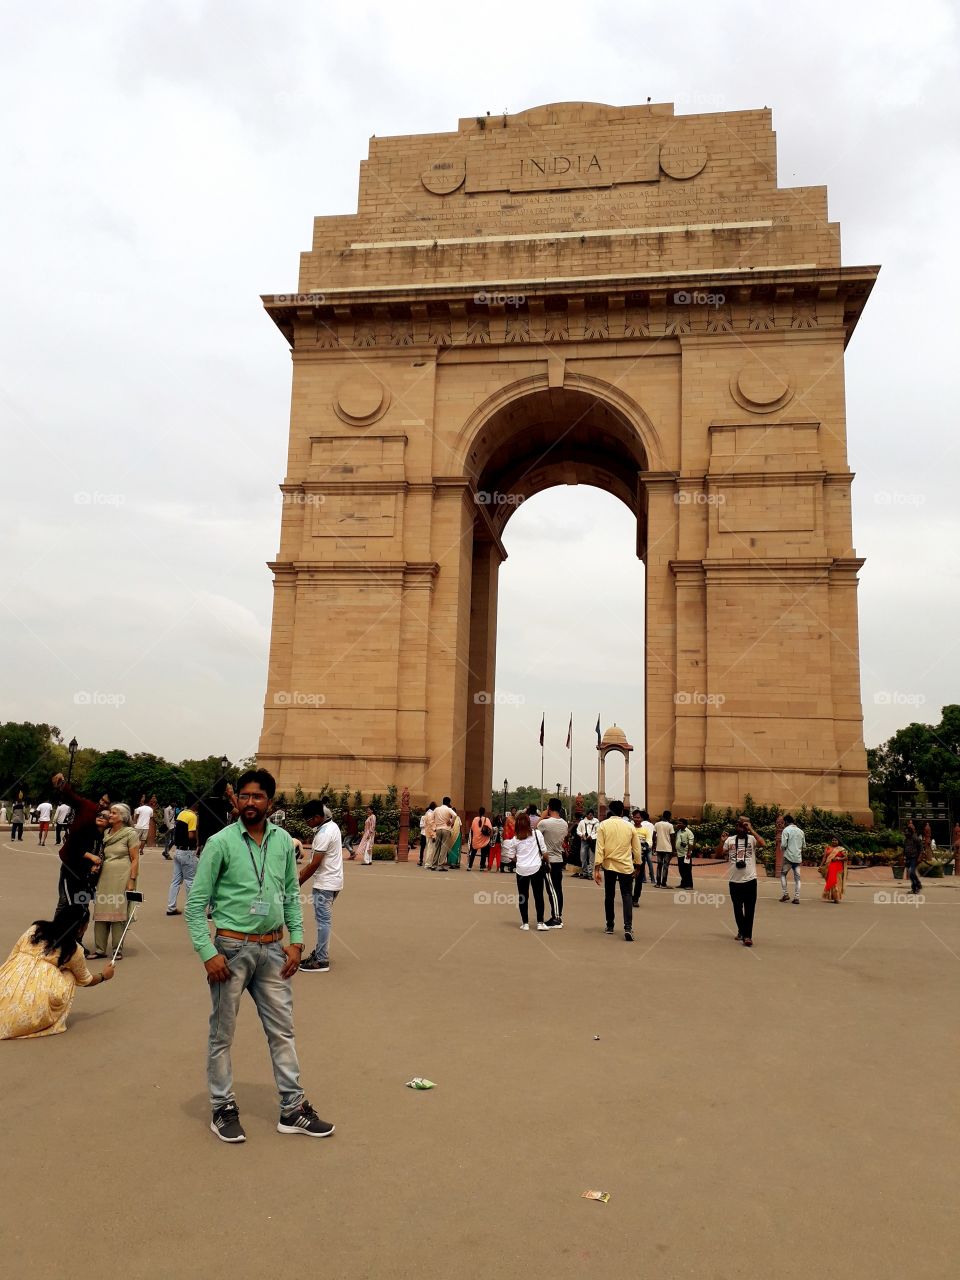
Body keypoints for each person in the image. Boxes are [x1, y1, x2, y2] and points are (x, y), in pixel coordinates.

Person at [184, 767, 331, 1143]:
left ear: (270, 802)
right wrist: (207, 952)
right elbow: (196, 904)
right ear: (237, 801)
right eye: (245, 796)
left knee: (282, 1031)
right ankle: (222, 1107)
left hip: (272, 949)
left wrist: (297, 940)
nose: (250, 802)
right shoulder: (220, 842)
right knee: (222, 1033)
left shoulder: (283, 842)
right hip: (230, 950)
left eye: (258, 797)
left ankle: (293, 1108)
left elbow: (287, 896)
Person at [0, 904, 115, 1039]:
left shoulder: (35, 929)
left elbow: (14, 954)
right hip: (37, 989)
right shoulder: (74, 949)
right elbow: (86, 980)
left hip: (13, 972)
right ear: (81, 928)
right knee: (70, 975)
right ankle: (45, 1013)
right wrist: (104, 976)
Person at [51, 773, 111, 914]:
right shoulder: (87, 807)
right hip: (71, 863)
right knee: (65, 901)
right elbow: (72, 796)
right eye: (102, 800)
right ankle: (57, 932)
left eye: (106, 804)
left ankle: (77, 933)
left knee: (82, 903)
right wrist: (62, 783)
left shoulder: (108, 831)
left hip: (88, 872)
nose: (101, 804)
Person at [298, 799, 343, 974]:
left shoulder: (324, 833)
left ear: (318, 817)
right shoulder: (331, 826)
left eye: (308, 820)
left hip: (325, 882)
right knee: (322, 920)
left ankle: (321, 959)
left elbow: (315, 863)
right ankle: (319, 953)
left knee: (323, 921)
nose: (306, 823)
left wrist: (298, 882)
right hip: (332, 881)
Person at [92, 803, 139, 959]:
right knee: (101, 909)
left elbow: (135, 859)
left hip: (122, 874)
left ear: (123, 817)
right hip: (105, 875)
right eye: (110, 812)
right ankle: (99, 949)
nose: (109, 815)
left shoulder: (130, 834)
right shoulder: (106, 832)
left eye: (113, 813)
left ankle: (117, 949)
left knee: (117, 911)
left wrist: (131, 880)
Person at [594, 800, 642, 941]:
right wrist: (637, 864)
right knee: (627, 896)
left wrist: (596, 868)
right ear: (622, 812)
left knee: (609, 895)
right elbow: (636, 849)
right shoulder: (629, 826)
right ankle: (628, 927)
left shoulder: (603, 825)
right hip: (625, 866)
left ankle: (610, 925)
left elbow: (599, 848)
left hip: (609, 866)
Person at [513, 810, 560, 930]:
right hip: (536, 869)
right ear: (529, 823)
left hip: (521, 870)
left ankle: (525, 923)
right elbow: (544, 852)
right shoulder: (537, 834)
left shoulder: (515, 839)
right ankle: (540, 922)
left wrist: (520, 859)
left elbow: (512, 856)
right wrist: (548, 863)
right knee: (538, 895)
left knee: (523, 896)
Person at [724, 816, 766, 947]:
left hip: (750, 880)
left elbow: (763, 844)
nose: (741, 827)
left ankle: (748, 936)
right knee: (737, 908)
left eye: (744, 825)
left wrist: (751, 830)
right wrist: (721, 842)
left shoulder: (752, 839)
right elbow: (719, 853)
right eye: (739, 825)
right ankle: (741, 930)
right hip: (734, 881)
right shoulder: (730, 840)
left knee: (749, 909)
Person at [537, 797, 569, 924]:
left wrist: (542, 816)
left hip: (548, 860)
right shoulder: (564, 824)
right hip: (558, 858)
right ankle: (557, 914)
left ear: (549, 808)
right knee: (557, 889)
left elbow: (534, 834)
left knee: (551, 890)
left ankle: (556, 917)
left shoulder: (545, 823)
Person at [167, 798, 199, 916]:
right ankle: (192, 909)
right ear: (195, 804)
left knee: (175, 881)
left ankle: (171, 907)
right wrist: (198, 841)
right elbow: (191, 835)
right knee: (190, 881)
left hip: (178, 851)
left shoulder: (182, 813)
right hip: (188, 852)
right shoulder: (192, 816)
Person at [779, 814, 806, 904]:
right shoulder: (801, 831)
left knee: (783, 875)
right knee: (797, 878)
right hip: (797, 858)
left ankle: (785, 894)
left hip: (788, 857)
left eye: (783, 822)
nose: (782, 824)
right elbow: (804, 846)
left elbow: (783, 845)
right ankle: (797, 897)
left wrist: (783, 850)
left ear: (786, 822)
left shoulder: (786, 830)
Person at [428, 797, 456, 871]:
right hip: (446, 829)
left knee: (437, 847)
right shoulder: (448, 809)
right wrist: (451, 821)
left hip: (438, 829)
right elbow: (455, 815)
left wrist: (434, 826)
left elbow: (431, 818)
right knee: (444, 847)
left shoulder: (437, 809)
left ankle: (433, 865)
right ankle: (440, 865)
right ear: (449, 803)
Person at [820, 837, 847, 903]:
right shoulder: (827, 848)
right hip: (828, 867)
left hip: (838, 867)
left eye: (835, 840)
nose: (834, 841)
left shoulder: (841, 849)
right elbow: (824, 857)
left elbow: (846, 858)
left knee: (836, 882)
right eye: (833, 840)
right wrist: (821, 865)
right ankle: (831, 896)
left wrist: (838, 858)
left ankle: (836, 898)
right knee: (831, 881)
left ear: (838, 841)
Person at [653, 810, 676, 887]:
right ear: (669, 817)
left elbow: (654, 836)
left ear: (663, 816)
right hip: (668, 849)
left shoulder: (657, 824)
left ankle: (658, 883)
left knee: (659, 866)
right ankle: (663, 883)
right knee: (665, 866)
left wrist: (654, 846)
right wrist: (673, 849)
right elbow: (672, 838)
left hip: (659, 848)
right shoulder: (670, 825)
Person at [902, 820, 923, 896]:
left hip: (914, 858)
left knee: (912, 872)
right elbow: (904, 849)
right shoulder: (906, 839)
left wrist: (920, 857)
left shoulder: (916, 838)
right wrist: (903, 857)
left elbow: (921, 848)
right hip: (908, 858)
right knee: (910, 874)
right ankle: (914, 888)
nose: (906, 832)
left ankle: (918, 885)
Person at [577, 809, 598, 879]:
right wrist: (582, 835)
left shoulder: (596, 822)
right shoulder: (582, 822)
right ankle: (584, 872)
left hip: (592, 841)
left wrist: (592, 837)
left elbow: (598, 832)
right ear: (586, 815)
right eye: (590, 815)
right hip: (584, 841)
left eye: (592, 815)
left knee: (591, 858)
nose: (591, 816)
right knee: (583, 857)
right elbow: (578, 830)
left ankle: (590, 873)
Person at [675, 818, 695, 890]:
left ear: (684, 824)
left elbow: (691, 843)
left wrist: (689, 852)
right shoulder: (679, 831)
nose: (678, 824)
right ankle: (683, 883)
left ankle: (689, 885)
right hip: (679, 853)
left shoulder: (689, 832)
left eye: (680, 823)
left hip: (686, 854)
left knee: (687, 870)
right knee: (681, 870)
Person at [421, 801, 437, 869]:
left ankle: (428, 863)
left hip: (427, 833)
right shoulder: (431, 814)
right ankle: (428, 864)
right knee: (431, 849)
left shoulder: (427, 813)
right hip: (430, 833)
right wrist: (433, 835)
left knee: (429, 849)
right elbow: (431, 825)